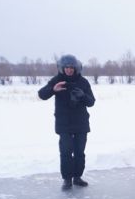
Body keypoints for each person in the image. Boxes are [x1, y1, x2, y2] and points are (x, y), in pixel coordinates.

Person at [38, 54, 96, 191]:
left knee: (79, 152)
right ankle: (67, 180)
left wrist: (83, 96)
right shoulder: (57, 80)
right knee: (65, 152)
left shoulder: (83, 82)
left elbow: (91, 102)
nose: (69, 70)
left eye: (71, 67)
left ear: (76, 68)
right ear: (62, 68)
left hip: (81, 123)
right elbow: (41, 94)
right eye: (67, 67)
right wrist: (53, 89)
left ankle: (77, 177)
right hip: (64, 124)